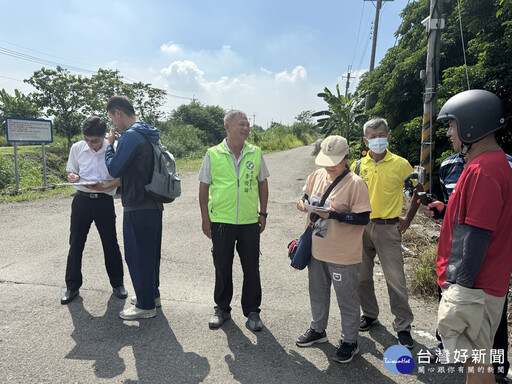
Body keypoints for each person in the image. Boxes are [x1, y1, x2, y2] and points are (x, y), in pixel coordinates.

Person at [425, 89, 512, 384]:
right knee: (476, 363)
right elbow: (478, 218)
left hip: (475, 288)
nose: (449, 133)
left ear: (471, 125)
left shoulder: (483, 170)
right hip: (482, 285)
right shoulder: (491, 163)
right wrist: (447, 209)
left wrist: (458, 289)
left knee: (476, 368)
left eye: (452, 125)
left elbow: (477, 236)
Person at [294, 135, 371, 364]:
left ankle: (350, 341)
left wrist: (334, 215)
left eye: (335, 161)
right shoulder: (316, 175)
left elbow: (363, 218)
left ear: (347, 157)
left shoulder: (355, 183)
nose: (329, 165)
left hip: (343, 254)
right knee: (317, 293)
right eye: (326, 160)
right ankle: (318, 330)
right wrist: (302, 203)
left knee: (346, 299)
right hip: (317, 249)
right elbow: (306, 196)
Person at [351, 117, 422, 348]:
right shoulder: (358, 166)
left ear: (388, 136)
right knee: (361, 277)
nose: (378, 140)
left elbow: (418, 192)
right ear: (365, 140)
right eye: (373, 137)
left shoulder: (401, 164)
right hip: (361, 228)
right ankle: (370, 315)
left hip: (388, 228)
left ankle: (403, 326)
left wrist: (408, 219)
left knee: (396, 280)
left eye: (382, 135)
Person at [198, 110, 269, 332]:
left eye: (248, 124)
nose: (246, 128)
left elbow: (262, 183)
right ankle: (222, 309)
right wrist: (205, 218)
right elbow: (203, 186)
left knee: (251, 267)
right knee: (222, 266)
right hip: (221, 221)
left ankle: (253, 311)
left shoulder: (255, 153)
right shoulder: (213, 154)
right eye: (241, 124)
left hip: (249, 222)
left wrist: (263, 212)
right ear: (228, 127)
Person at [105, 95, 163, 320]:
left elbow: (114, 168)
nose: (114, 123)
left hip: (137, 204)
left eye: (112, 117)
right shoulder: (149, 132)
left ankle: (146, 305)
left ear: (118, 112)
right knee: (151, 254)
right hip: (154, 202)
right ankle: (152, 295)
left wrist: (110, 146)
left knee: (137, 256)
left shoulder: (130, 135)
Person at [61, 116, 127, 305]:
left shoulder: (113, 147)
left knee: (110, 243)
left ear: (104, 136)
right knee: (76, 243)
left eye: (95, 141)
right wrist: (73, 176)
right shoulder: (77, 148)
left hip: (104, 201)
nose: (90, 144)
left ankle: (118, 284)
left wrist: (103, 187)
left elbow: (121, 176)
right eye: (87, 140)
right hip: (81, 201)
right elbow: (71, 171)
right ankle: (72, 287)